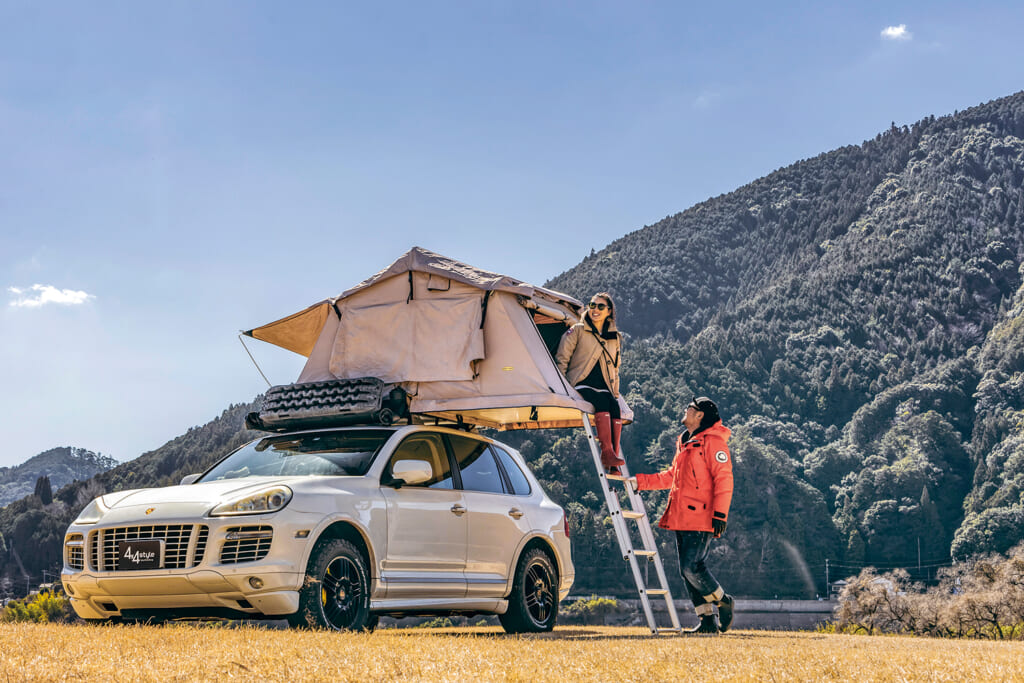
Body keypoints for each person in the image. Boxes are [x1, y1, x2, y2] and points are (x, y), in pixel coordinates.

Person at [630, 396, 735, 634]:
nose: (685, 409)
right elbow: (671, 476)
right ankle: (707, 622)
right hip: (681, 514)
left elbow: (724, 478)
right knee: (686, 571)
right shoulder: (685, 441)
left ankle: (724, 601)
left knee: (691, 566)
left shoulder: (714, 442)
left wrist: (720, 514)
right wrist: (640, 482)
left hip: (702, 515)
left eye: (690, 407)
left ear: (699, 415)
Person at [555, 292, 625, 473]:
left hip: (604, 386)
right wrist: (562, 386)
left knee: (614, 407)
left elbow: (616, 368)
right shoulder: (577, 329)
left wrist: (615, 394)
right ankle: (607, 453)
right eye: (592, 305)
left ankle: (612, 459)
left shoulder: (614, 337)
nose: (595, 309)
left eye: (600, 307)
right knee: (601, 403)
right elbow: (562, 357)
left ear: (609, 311)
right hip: (581, 381)